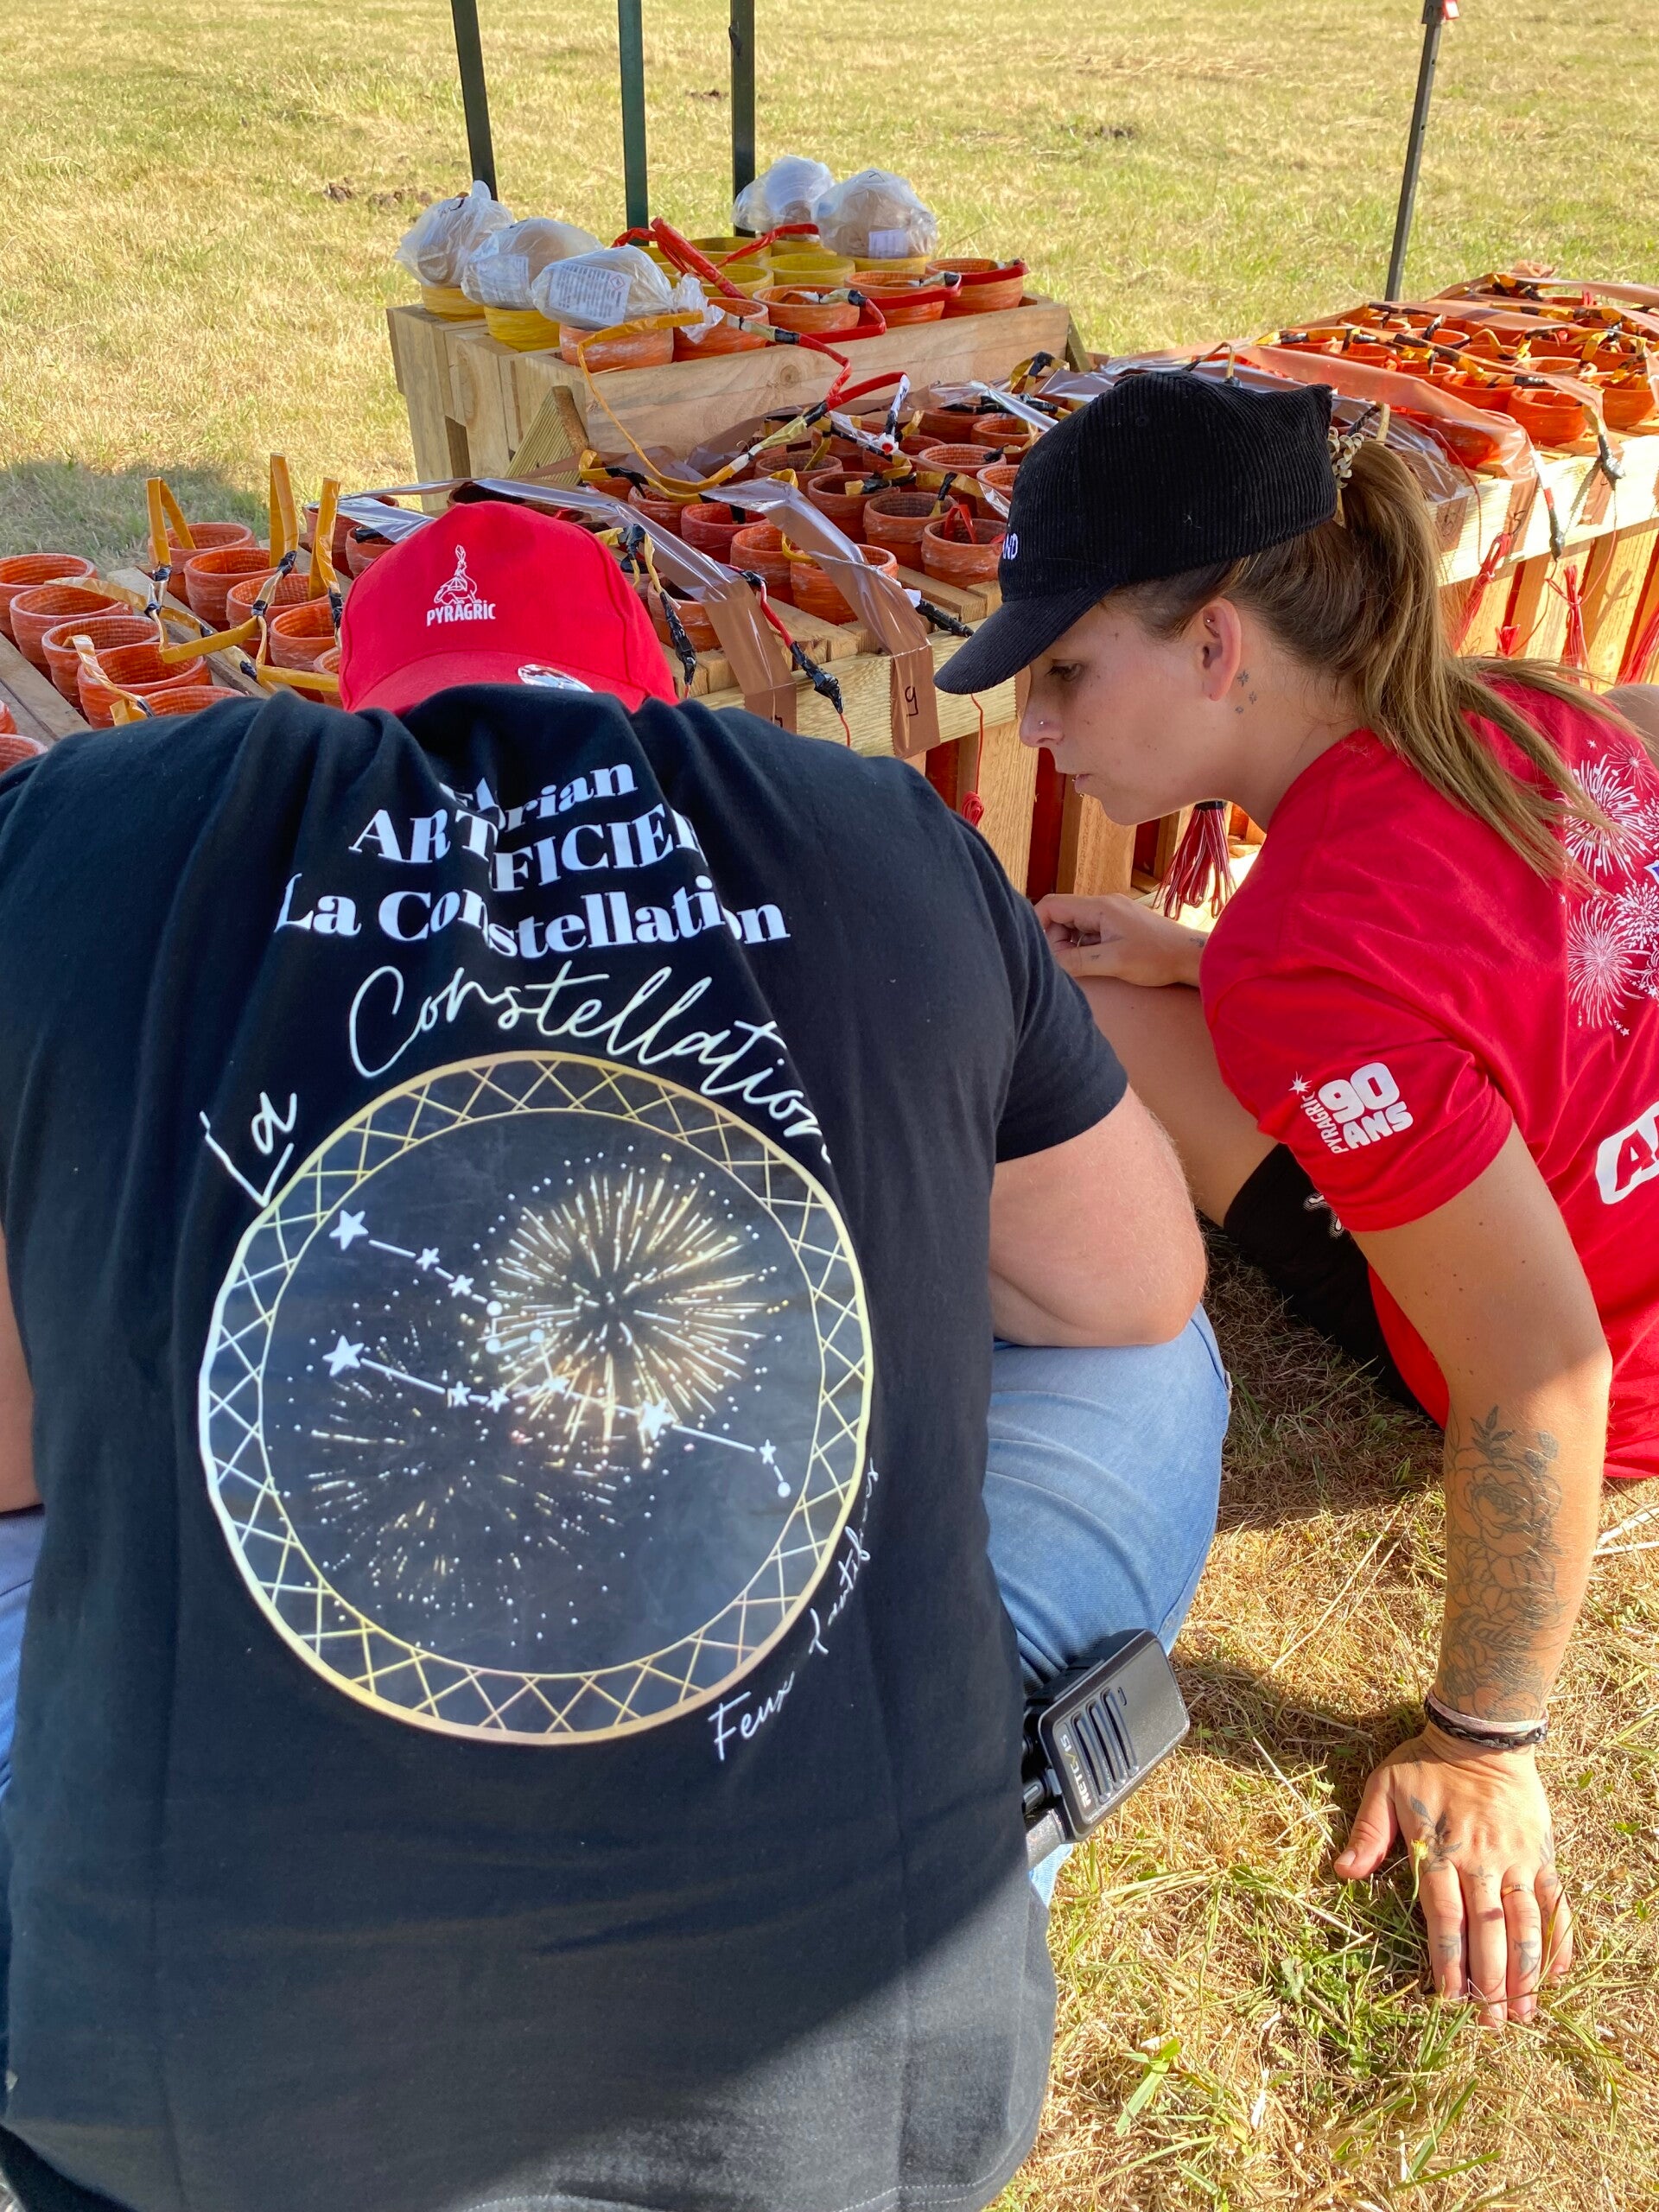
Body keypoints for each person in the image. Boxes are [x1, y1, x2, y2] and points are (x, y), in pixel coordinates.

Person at [0, 497, 1227, 2212]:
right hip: (849, 2105)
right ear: (643, 695)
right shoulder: (874, 829)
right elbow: (1135, 1289)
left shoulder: (76, 823)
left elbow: (18, 1460)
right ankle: (939, 1798)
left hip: (184, 2120)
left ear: (364, 709)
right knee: (1168, 1369)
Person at [938, 368, 1659, 2029]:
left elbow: (1540, 1371)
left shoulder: (1306, 957)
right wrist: (1206, 957)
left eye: (1064, 671)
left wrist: (1485, 1737)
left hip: (1601, 1371)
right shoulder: (1513, 714)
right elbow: (1482, 978)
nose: (1034, 726)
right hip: (1622, 1239)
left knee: (1069, 1024)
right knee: (1115, 993)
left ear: (1218, 647)